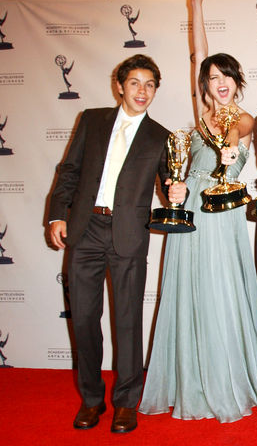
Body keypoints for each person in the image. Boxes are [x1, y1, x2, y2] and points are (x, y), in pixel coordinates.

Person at [138, 0, 257, 422]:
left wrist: (227, 142)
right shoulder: (199, 119)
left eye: (225, 76)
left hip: (225, 208)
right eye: (211, 79)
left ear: (236, 80)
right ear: (204, 86)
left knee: (223, 290)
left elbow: (231, 139)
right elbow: (199, 53)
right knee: (191, 291)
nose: (218, 83)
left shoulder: (245, 118)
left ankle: (227, 376)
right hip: (190, 207)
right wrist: (197, 5)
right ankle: (191, 378)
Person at [47, 54, 187, 433]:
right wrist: (58, 214)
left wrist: (177, 191)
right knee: (86, 322)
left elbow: (168, 185)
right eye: (135, 83)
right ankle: (91, 400)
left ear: (156, 90)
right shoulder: (92, 120)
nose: (142, 91)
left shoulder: (161, 136)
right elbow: (70, 170)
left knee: (127, 322)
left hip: (128, 234)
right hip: (85, 229)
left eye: (150, 85)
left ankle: (126, 403)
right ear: (120, 85)